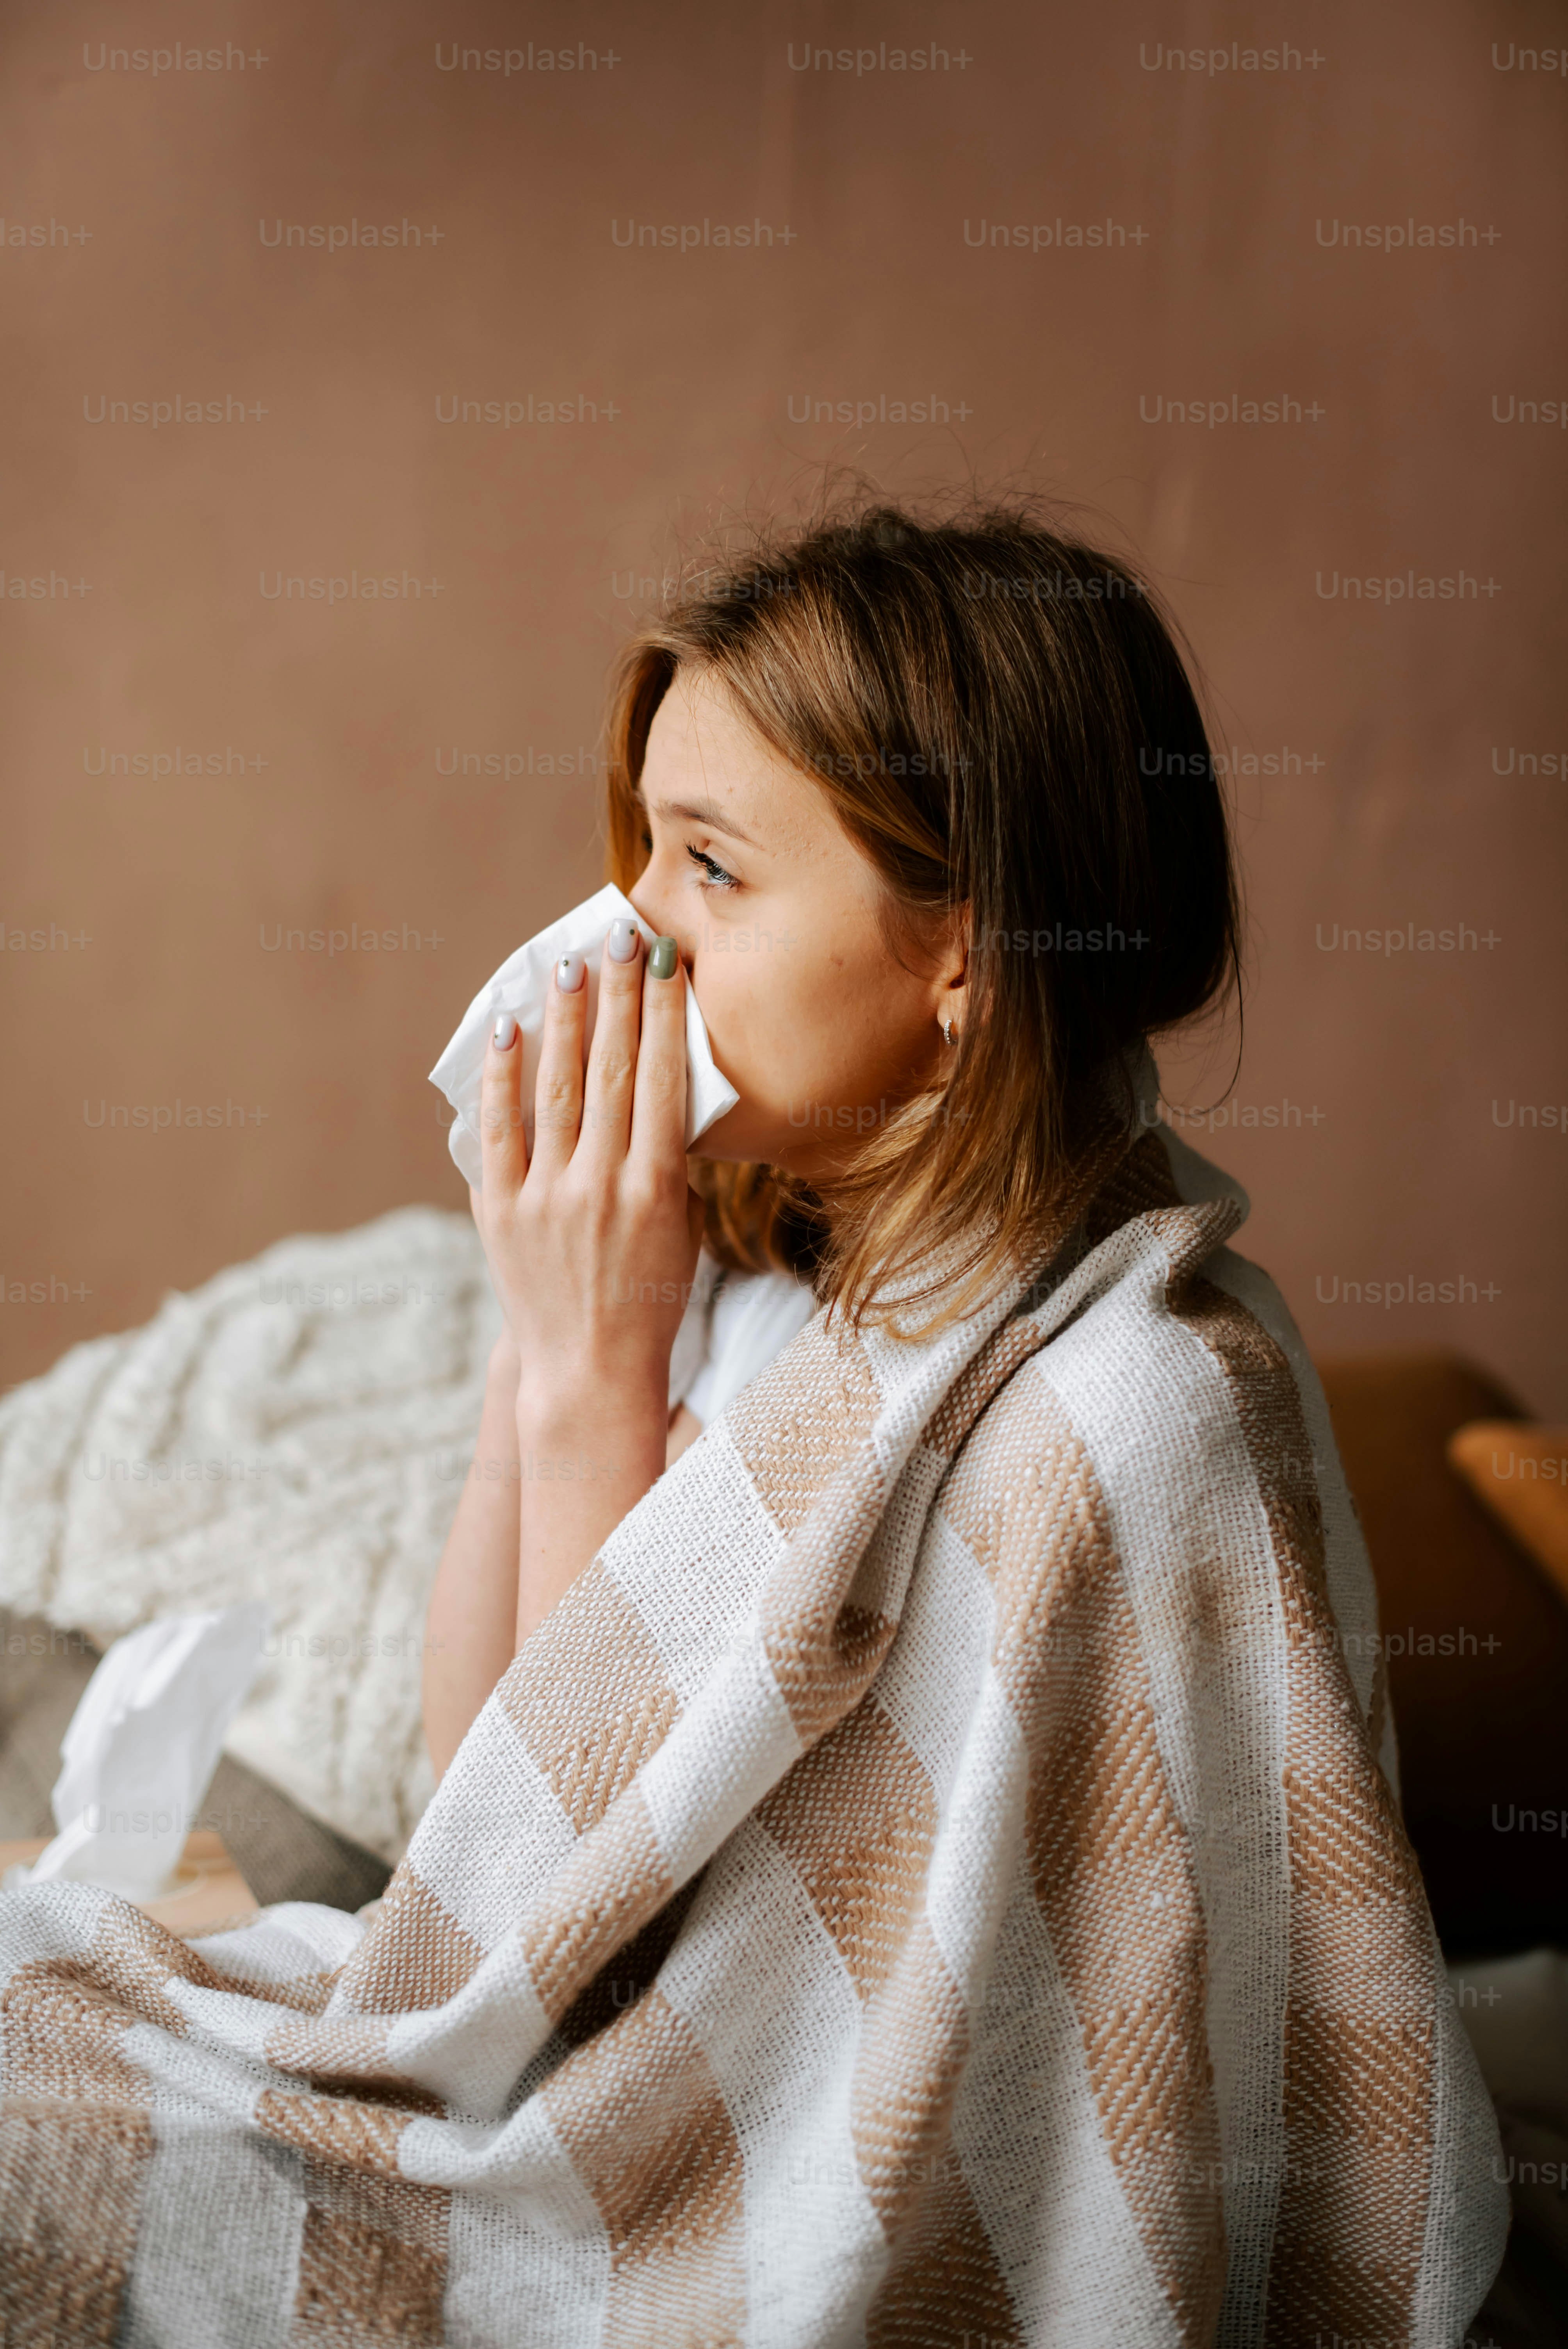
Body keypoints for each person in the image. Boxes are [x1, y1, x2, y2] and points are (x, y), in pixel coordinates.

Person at [1, 499, 1504, 2346]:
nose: (628, 933)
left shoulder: (1135, 1418)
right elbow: (490, 1825)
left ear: (963, 947)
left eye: (712, 867)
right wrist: (561, 1355)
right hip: (534, 2056)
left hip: (684, 2181)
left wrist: (588, 1382)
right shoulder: (757, 1261)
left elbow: (613, 1997)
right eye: (646, 850)